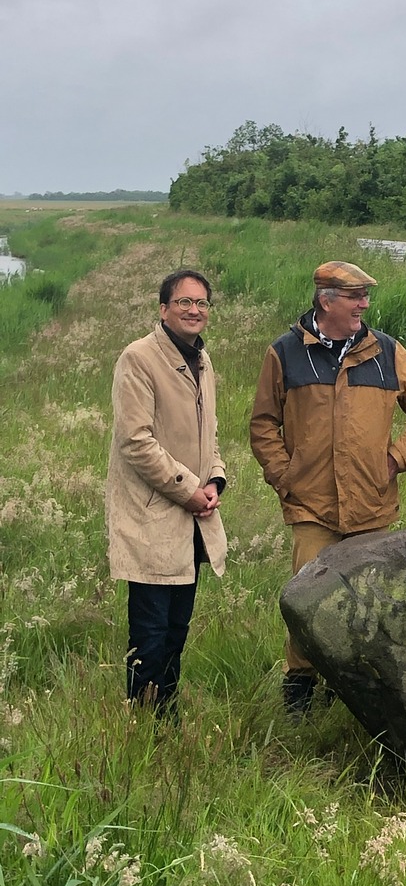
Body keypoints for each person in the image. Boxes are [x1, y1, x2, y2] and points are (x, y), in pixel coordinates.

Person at [250, 259, 406, 716]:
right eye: (355, 296)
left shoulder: (387, 352)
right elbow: (262, 424)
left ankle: (352, 692)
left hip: (371, 507)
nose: (364, 304)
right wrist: (285, 476)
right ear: (326, 300)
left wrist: (397, 459)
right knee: (306, 603)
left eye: (365, 296)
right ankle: (299, 693)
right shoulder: (285, 352)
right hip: (312, 508)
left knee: (365, 603)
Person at [106, 269, 227, 714]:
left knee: (178, 627)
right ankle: (142, 720)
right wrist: (188, 490)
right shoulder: (138, 358)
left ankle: (166, 714)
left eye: (201, 303)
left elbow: (208, 434)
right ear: (163, 309)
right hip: (153, 514)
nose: (194, 310)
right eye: (184, 302)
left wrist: (214, 479)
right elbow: (135, 442)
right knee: (151, 631)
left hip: (194, 515)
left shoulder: (202, 359)